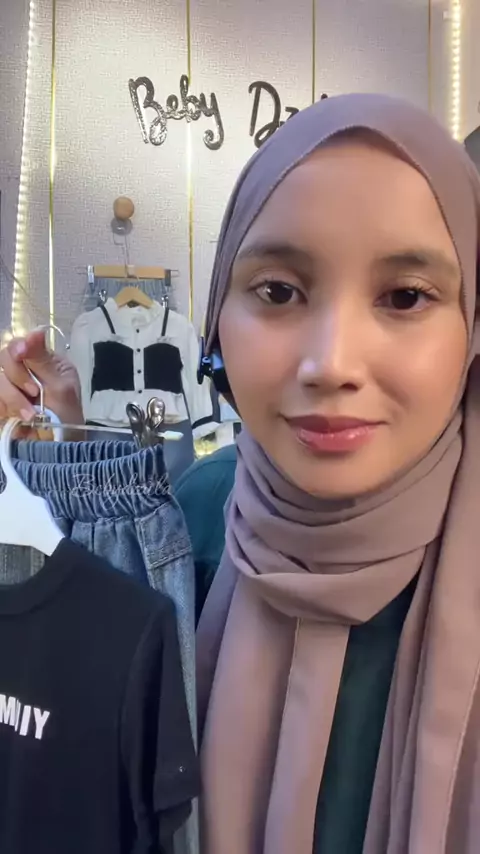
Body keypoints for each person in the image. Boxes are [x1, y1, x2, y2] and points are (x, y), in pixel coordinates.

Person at [1, 92, 480, 853]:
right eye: (279, 292)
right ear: (218, 323)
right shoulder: (184, 524)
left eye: (405, 297)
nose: (331, 364)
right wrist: (54, 430)